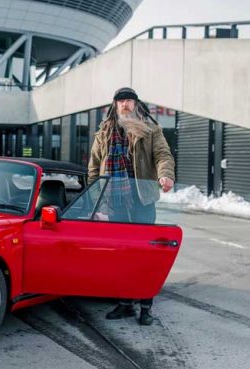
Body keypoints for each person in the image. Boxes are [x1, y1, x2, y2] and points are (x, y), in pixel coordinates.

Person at [87, 86, 176, 325]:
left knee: (145, 254)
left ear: (136, 104)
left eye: (129, 100)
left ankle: (146, 304)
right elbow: (94, 169)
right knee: (122, 254)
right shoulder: (103, 133)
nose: (125, 104)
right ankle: (125, 303)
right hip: (114, 201)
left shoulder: (150, 129)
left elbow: (163, 155)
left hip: (141, 199)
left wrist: (165, 175)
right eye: (120, 101)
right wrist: (97, 201)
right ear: (114, 105)